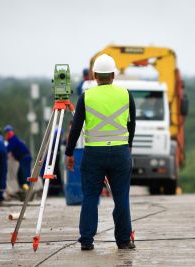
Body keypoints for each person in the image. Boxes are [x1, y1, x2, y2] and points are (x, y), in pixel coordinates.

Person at [65, 54, 136, 251]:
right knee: (121, 197)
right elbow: (132, 124)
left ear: (95, 75)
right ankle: (123, 241)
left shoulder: (86, 96)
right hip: (120, 152)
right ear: (113, 74)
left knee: (90, 197)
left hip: (94, 153)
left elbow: (76, 127)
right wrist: (128, 146)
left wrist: (69, 153)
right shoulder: (125, 94)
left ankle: (87, 241)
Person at [4, 125, 32, 191]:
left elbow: (7, 150)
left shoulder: (13, 140)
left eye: (9, 132)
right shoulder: (14, 139)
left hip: (25, 157)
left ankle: (27, 189)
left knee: (24, 174)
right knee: (20, 175)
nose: (8, 133)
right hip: (24, 158)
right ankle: (23, 188)